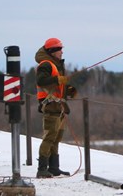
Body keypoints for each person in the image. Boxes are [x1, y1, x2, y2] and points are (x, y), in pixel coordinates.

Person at [35, 37, 77, 178]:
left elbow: (58, 85)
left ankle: (54, 167)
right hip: (51, 106)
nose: (62, 52)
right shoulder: (46, 64)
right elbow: (41, 81)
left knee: (56, 138)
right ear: (52, 51)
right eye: (59, 49)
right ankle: (42, 169)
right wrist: (57, 80)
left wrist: (69, 89)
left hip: (59, 107)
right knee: (49, 137)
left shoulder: (56, 65)